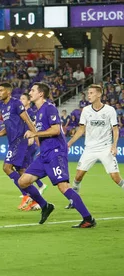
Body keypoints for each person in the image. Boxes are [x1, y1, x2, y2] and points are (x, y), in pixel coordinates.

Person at [20, 82, 96, 228]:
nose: (30, 92)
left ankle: (88, 219)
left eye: (33, 90)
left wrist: (35, 133)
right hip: (44, 155)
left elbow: (55, 130)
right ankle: (45, 206)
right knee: (23, 181)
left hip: (56, 153)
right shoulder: (38, 112)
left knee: (63, 187)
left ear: (41, 93)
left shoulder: (49, 108)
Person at [66, 84, 123, 209]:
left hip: (105, 148)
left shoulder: (109, 110)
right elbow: (81, 129)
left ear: (99, 94)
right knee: (78, 175)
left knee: (115, 177)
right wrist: (69, 143)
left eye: (91, 93)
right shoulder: (86, 110)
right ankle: (74, 201)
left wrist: (114, 145)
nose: (89, 95)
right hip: (89, 149)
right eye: (88, 93)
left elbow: (115, 129)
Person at [0, 83, 44, 211]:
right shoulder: (3, 107)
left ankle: (26, 195)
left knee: (7, 167)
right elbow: (8, 128)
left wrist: (37, 139)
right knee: (22, 171)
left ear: (8, 92)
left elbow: (28, 121)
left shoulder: (16, 104)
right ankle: (36, 201)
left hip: (19, 140)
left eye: (1, 90)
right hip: (13, 141)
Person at [20, 92, 46, 199]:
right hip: (24, 141)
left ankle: (32, 190)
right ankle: (37, 187)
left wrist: (32, 137)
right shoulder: (22, 112)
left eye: (23, 99)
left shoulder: (30, 112)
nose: (20, 100)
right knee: (25, 166)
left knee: (25, 167)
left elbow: (33, 125)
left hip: (30, 142)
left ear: (28, 101)